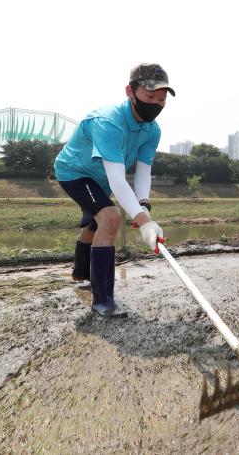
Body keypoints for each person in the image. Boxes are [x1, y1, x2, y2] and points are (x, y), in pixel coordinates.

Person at [54, 63, 172, 316]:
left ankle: (80, 273)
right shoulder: (109, 122)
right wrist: (144, 223)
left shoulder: (152, 130)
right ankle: (102, 300)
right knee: (110, 218)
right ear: (130, 91)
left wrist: (144, 205)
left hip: (102, 179)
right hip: (75, 172)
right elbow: (118, 179)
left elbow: (143, 170)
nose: (156, 104)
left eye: (161, 99)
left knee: (97, 222)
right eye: (150, 96)